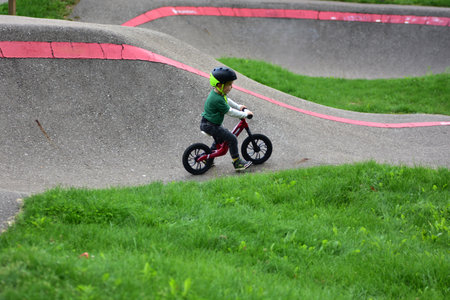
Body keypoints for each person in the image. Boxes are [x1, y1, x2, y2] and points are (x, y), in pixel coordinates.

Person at [200, 66, 253, 171]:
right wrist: (245, 115)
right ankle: (237, 163)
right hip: (210, 125)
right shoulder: (216, 99)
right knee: (232, 138)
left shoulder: (219, 93)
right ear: (220, 85)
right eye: (229, 84)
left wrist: (239, 106)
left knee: (220, 139)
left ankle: (208, 160)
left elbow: (227, 100)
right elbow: (230, 111)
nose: (231, 87)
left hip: (210, 123)